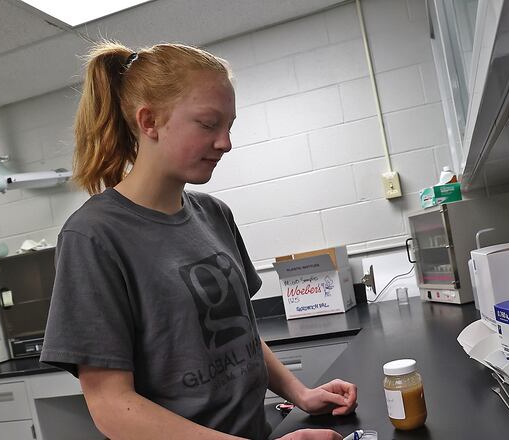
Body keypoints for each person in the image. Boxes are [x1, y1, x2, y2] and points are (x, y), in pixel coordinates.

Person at [39, 41, 357, 440]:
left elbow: (240, 335)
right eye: (208, 125)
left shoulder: (214, 214)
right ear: (149, 121)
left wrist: (301, 393)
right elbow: (111, 407)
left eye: (229, 126)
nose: (225, 142)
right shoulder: (93, 236)